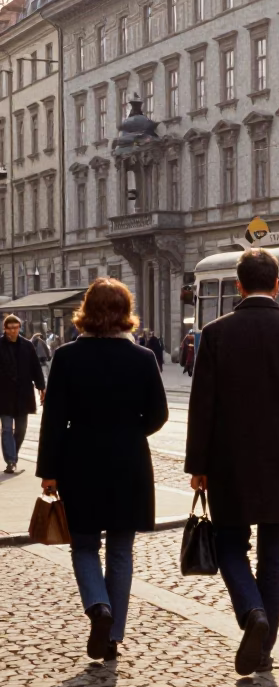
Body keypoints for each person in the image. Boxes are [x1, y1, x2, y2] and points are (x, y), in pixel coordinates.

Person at [185, 248, 279, 676]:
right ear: (278, 284)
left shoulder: (215, 333)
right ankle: (263, 648)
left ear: (238, 285)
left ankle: (252, 613)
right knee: (275, 552)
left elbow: (203, 406)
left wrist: (198, 464)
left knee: (231, 545)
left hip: (229, 461)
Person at [35, 279, 168, 661]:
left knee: (85, 545)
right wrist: (129, 431)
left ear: (85, 312)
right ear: (126, 313)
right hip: (129, 461)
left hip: (80, 460)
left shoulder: (66, 357)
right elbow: (159, 414)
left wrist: (49, 470)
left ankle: (99, 606)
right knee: (122, 549)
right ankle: (113, 636)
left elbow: (54, 420)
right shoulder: (142, 358)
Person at [1, 315, 46, 474]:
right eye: (10, 328)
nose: (13, 331)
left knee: (21, 429)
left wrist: (41, 387)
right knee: (6, 429)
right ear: (4, 329)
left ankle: (13, 454)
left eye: (16, 327)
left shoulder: (27, 346)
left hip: (23, 393)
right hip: (4, 394)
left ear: (19, 328)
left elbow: (35, 367)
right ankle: (11, 461)